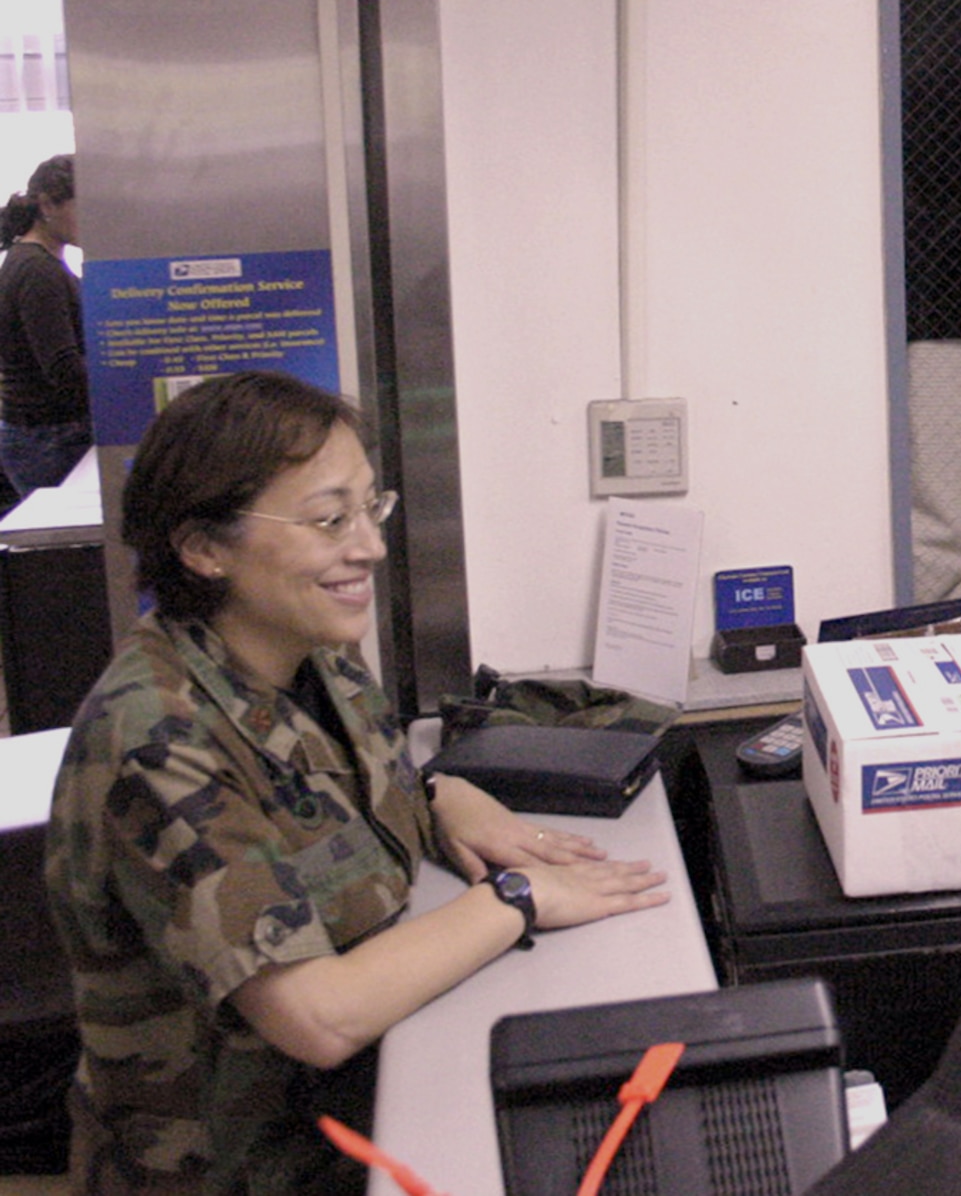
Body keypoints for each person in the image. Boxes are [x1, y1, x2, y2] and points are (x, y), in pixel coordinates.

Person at [43, 371, 672, 1195]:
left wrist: (440, 799)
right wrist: (515, 898)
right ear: (203, 547)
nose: (369, 546)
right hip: (235, 1170)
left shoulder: (311, 653)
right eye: (328, 520)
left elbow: (341, 797)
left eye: (370, 509)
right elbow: (317, 1014)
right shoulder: (157, 741)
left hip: (359, 1118)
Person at [0, 151, 92, 497]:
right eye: (81, 206)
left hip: (41, 433)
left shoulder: (34, 261)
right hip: (50, 436)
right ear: (47, 205)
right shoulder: (39, 271)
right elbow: (63, 369)